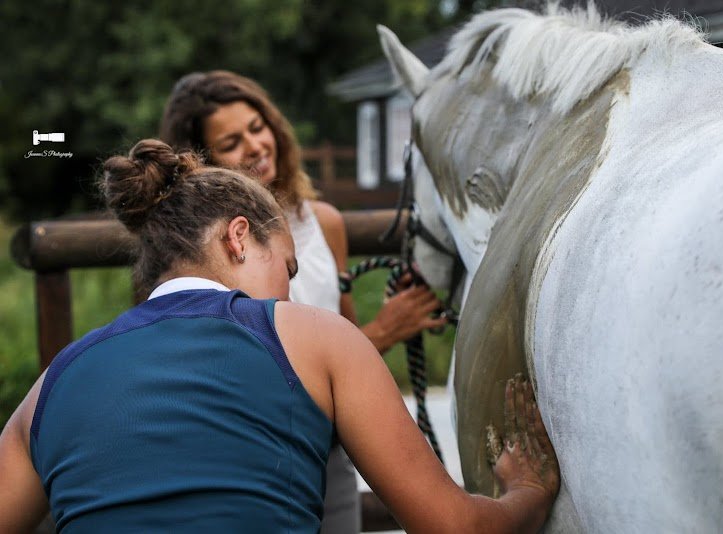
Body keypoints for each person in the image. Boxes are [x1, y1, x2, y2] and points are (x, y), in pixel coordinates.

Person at [0, 139, 559, 532]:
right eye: (287, 270)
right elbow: (452, 528)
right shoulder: (313, 335)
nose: (288, 295)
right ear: (238, 238)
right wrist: (527, 497)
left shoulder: (53, 383)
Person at [159, 70, 447, 533]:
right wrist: (387, 328)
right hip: (247, 451)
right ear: (203, 160)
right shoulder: (195, 251)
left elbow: (343, 334)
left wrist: (391, 323)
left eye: (258, 127)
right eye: (232, 141)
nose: (255, 146)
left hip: (327, 444)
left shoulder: (325, 223)